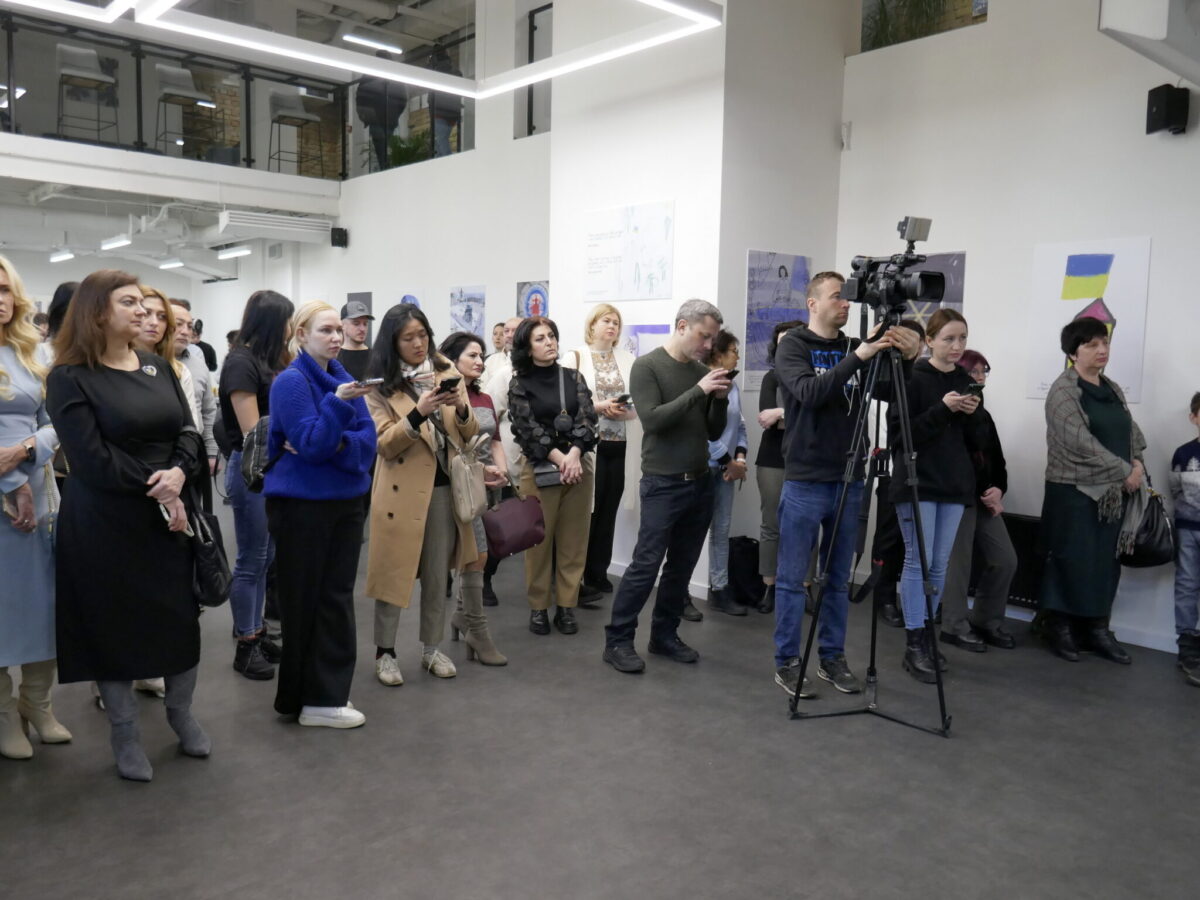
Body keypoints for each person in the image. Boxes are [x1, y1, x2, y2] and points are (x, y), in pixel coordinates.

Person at [47, 269, 209, 781]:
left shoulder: (158, 366)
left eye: (143, 302)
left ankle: (181, 714)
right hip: (104, 521)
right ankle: (124, 732)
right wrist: (162, 486)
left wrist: (179, 473)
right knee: (111, 627)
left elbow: (188, 431)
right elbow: (91, 459)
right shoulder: (69, 376)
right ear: (97, 312)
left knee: (179, 620)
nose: (143, 311)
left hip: (167, 518)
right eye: (129, 303)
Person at [772, 273, 920, 698]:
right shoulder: (794, 345)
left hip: (849, 478)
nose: (845, 304)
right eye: (837, 297)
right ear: (812, 303)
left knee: (837, 579)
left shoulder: (853, 346)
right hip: (806, 479)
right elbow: (809, 392)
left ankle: (832, 657)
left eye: (847, 298)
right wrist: (860, 355)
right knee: (792, 579)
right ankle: (787, 661)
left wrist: (907, 359)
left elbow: (891, 392)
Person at [603, 299, 730, 674]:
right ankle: (618, 641)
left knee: (681, 567)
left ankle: (664, 636)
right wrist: (699, 391)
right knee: (645, 565)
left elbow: (712, 431)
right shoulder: (647, 366)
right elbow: (654, 420)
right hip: (663, 483)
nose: (708, 345)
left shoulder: (700, 372)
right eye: (703, 336)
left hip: (699, 482)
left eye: (712, 338)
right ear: (682, 326)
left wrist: (719, 401)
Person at [264, 301, 376, 728]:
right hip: (302, 508)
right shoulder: (291, 382)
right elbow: (311, 444)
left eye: (337, 331)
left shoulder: (344, 379)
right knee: (304, 601)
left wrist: (337, 444)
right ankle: (308, 698)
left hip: (345, 504)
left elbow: (367, 447)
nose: (336, 337)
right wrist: (336, 411)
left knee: (336, 599)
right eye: (325, 330)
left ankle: (327, 695)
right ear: (301, 335)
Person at [365, 303, 479, 683]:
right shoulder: (378, 385)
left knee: (436, 575)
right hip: (400, 493)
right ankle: (385, 652)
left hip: (443, 488)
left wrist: (461, 408)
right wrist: (418, 412)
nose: (418, 344)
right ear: (392, 343)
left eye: (423, 335)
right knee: (393, 573)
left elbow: (468, 433)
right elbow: (384, 445)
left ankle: (432, 648)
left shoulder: (447, 373)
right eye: (408, 338)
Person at [1037, 317, 1145, 666]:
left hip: (1112, 495)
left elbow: (1131, 432)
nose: (1102, 350)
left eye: (1105, 343)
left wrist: (1137, 463)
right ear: (1073, 352)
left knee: (1103, 563)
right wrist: (1125, 471)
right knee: (1071, 559)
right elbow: (1080, 443)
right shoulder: (1063, 391)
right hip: (1073, 492)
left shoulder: (1111, 388)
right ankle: (1059, 627)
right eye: (1092, 344)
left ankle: (1096, 629)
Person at [0, 254, 70, 760]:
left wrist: (26, 452)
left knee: (45, 606)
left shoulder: (31, 352)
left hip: (40, 495)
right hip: (7, 498)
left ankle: (37, 704)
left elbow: (54, 422)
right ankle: (5, 714)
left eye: (5, 289)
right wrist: (11, 482)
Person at [888, 308, 982, 684]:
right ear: (929, 341)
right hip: (918, 481)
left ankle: (928, 634)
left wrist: (973, 414)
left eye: (963, 338)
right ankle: (914, 642)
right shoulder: (912, 377)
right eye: (949, 338)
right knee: (918, 561)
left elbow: (975, 441)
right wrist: (943, 409)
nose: (957, 346)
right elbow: (900, 435)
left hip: (954, 483)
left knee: (939, 564)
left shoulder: (965, 380)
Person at [219, 290, 295, 681]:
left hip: (272, 469)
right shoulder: (240, 363)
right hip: (251, 469)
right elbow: (253, 431)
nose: (290, 328)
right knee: (251, 560)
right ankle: (246, 643)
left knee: (265, 558)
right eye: (287, 320)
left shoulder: (267, 360)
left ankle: (257, 631)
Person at [508, 316, 599, 636]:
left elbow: (587, 419)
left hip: (578, 469)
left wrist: (574, 454)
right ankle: (538, 607)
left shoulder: (573, 377)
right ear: (527, 347)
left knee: (574, 541)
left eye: (551, 336)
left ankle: (566, 606)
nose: (549, 342)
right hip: (540, 469)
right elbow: (527, 428)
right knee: (539, 542)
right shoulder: (519, 384)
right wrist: (561, 459)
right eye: (540, 338)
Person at [939, 349, 1018, 652]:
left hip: (983, 497)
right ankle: (954, 626)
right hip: (958, 497)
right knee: (958, 564)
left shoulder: (983, 414)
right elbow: (959, 460)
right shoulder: (951, 412)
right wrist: (988, 489)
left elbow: (997, 460)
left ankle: (986, 620)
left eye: (984, 371)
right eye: (974, 371)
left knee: (1005, 559)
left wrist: (998, 489)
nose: (980, 377)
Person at [438, 331, 508, 665]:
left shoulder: (484, 397)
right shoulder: (442, 398)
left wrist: (502, 470)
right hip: (455, 485)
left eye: (481, 355)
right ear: (452, 359)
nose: (480, 361)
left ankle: (461, 616)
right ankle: (476, 630)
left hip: (485, 484)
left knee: (477, 555)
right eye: (472, 355)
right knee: (474, 555)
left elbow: (494, 439)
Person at [565, 303, 639, 602]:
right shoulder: (575, 356)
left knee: (609, 510)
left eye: (616, 323)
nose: (612, 326)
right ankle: (577, 574)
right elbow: (567, 402)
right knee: (587, 512)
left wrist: (625, 410)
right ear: (592, 324)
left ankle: (598, 571)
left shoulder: (629, 359)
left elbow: (640, 402)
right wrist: (599, 407)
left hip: (620, 444)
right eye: (606, 321)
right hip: (587, 446)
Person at [754, 321, 803, 616]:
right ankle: (769, 586)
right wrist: (797, 413)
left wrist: (782, 412)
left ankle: (805, 586)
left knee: (806, 527)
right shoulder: (771, 378)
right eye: (781, 341)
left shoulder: (813, 377)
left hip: (806, 459)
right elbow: (766, 418)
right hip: (772, 458)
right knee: (771, 525)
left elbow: (817, 415)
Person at [705, 329, 750, 617]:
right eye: (734, 351)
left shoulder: (732, 387)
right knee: (691, 532)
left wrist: (740, 458)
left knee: (721, 530)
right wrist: (728, 461)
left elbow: (741, 427)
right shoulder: (704, 384)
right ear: (719, 354)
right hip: (703, 469)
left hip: (727, 470)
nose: (738, 357)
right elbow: (703, 433)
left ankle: (719, 588)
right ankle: (681, 592)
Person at [171, 300, 219, 513]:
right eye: (178, 324)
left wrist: (211, 452)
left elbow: (208, 411)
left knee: (194, 515)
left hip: (193, 455)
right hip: (161, 457)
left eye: (189, 326)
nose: (185, 331)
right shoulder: (146, 363)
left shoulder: (198, 365)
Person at [1170, 392, 1200, 686]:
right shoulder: (1183, 454)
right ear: (1194, 417)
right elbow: (1176, 491)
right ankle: (1187, 643)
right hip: (1189, 529)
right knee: (1187, 584)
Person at [429, 46, 462, 157]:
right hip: (453, 112)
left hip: (439, 111)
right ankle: (439, 164)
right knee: (439, 142)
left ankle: (450, 162)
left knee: (441, 140)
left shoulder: (434, 71)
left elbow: (432, 94)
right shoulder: (456, 71)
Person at [338, 300, 374, 382]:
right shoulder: (334, 358)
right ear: (342, 325)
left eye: (365, 324)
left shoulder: (376, 357)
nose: (362, 329)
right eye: (356, 324)